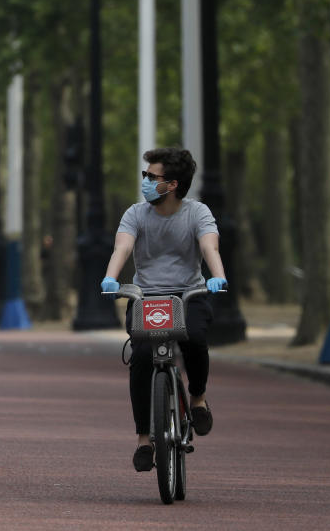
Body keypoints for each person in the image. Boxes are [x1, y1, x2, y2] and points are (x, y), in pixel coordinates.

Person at [100, 148, 228, 473]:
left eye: (150, 177)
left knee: (196, 339)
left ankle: (197, 398)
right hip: (146, 296)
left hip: (189, 294)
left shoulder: (197, 213)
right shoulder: (135, 214)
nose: (144, 182)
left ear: (171, 184)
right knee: (142, 358)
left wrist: (218, 277)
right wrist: (111, 278)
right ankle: (145, 439)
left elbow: (208, 246)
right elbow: (123, 247)